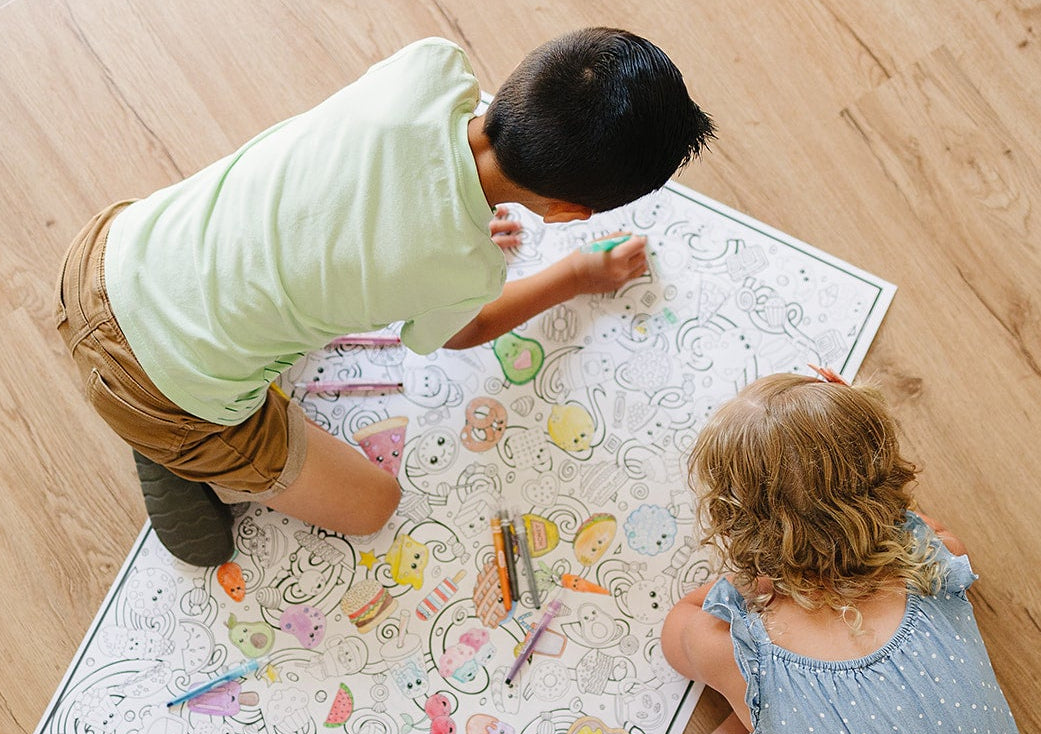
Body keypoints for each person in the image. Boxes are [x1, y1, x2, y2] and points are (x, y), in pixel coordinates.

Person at [53, 28, 715, 566]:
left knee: (288, 272)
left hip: (105, 256)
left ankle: (173, 397)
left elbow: (388, 182)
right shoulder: (466, 269)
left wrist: (462, 217)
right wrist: (573, 276)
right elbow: (462, 330)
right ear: (569, 212)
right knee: (372, 506)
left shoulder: (430, 66)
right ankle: (182, 449)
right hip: (162, 394)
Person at [598, 372, 1039, 734]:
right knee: (788, 708)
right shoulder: (933, 556)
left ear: (737, 528)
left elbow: (678, 629)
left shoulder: (741, 646)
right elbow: (917, 520)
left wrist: (749, 594)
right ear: (884, 475)